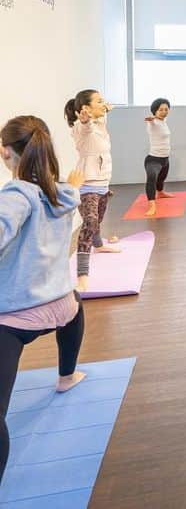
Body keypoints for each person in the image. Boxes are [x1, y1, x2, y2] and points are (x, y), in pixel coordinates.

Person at [0, 116, 89, 482]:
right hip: (60, 305)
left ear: (6, 152)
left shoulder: (16, 196)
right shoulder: (61, 193)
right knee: (77, 309)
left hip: (14, 318)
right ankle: (66, 376)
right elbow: (68, 190)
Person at [64, 89, 119, 294]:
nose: (103, 103)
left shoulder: (101, 123)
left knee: (98, 220)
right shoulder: (80, 128)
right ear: (85, 108)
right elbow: (85, 129)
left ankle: (99, 245)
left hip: (103, 183)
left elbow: (99, 121)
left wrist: (104, 112)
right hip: (87, 186)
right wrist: (86, 120)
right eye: (99, 101)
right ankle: (82, 277)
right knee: (89, 223)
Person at [142, 98, 174, 217]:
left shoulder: (164, 120)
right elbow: (152, 120)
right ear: (154, 111)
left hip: (165, 159)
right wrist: (151, 119)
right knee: (152, 178)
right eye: (160, 110)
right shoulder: (153, 123)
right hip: (153, 160)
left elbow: (161, 117)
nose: (164, 112)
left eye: (166, 109)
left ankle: (160, 193)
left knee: (161, 179)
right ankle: (152, 205)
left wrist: (159, 116)